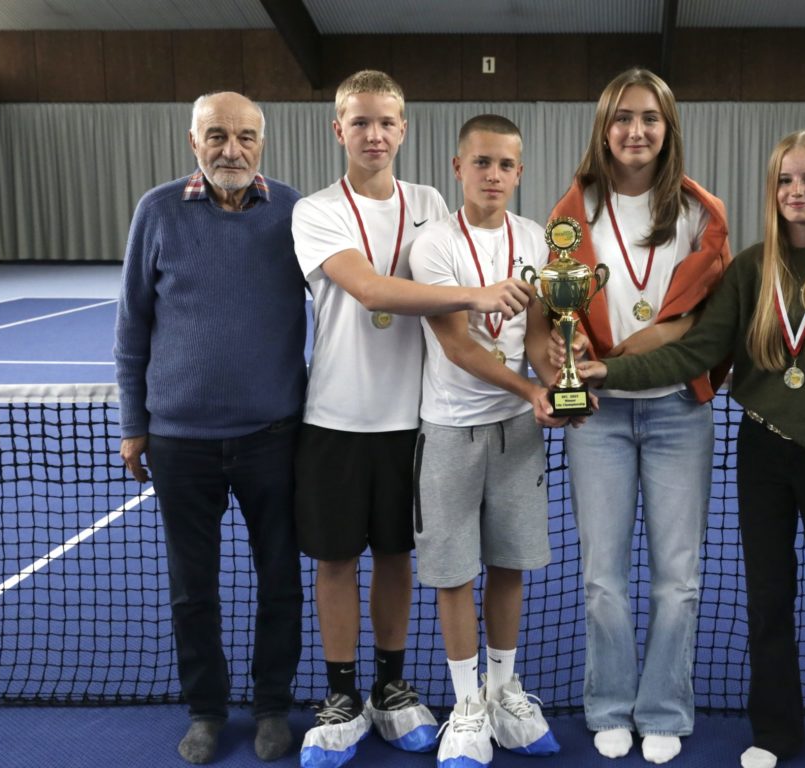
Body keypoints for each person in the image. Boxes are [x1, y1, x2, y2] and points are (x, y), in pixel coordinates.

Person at [578, 130, 805, 768]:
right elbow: (697, 352)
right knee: (768, 599)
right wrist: (608, 372)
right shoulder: (752, 269)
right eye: (786, 180)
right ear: (772, 190)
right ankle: (775, 733)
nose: (798, 191)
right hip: (764, 457)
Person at [290, 72, 535, 768]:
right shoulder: (315, 210)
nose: (374, 135)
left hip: (417, 421)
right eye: (360, 122)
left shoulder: (429, 204)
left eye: (386, 122)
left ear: (403, 129)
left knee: (397, 557)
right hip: (335, 417)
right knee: (337, 560)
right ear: (339, 129)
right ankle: (342, 694)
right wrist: (476, 294)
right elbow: (370, 288)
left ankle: (391, 686)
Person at [545, 67, 732, 765]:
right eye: (622, 117)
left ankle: (663, 709)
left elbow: (705, 322)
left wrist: (626, 356)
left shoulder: (700, 214)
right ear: (604, 129)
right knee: (602, 578)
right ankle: (609, 705)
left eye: (650, 117)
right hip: (597, 419)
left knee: (678, 579)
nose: (635, 130)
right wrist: (569, 358)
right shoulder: (572, 215)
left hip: (679, 412)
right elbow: (557, 314)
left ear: (667, 128)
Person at [114, 91, 305, 764]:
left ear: (262, 143)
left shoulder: (294, 212)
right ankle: (206, 710)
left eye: (245, 136)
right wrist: (135, 423)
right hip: (179, 443)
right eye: (217, 135)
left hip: (274, 437)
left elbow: (345, 298)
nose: (232, 149)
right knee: (192, 590)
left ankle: (273, 706)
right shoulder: (157, 211)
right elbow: (132, 325)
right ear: (194, 141)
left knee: (280, 581)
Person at [408, 114, 568, 768]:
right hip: (450, 427)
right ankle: (467, 705)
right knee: (454, 572)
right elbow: (456, 346)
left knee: (509, 563)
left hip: (518, 431)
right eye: (481, 162)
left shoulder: (536, 239)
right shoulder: (432, 246)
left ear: (520, 172)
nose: (493, 175)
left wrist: (555, 380)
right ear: (458, 168)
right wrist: (530, 390)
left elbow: (538, 332)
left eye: (505, 164)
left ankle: (503, 693)